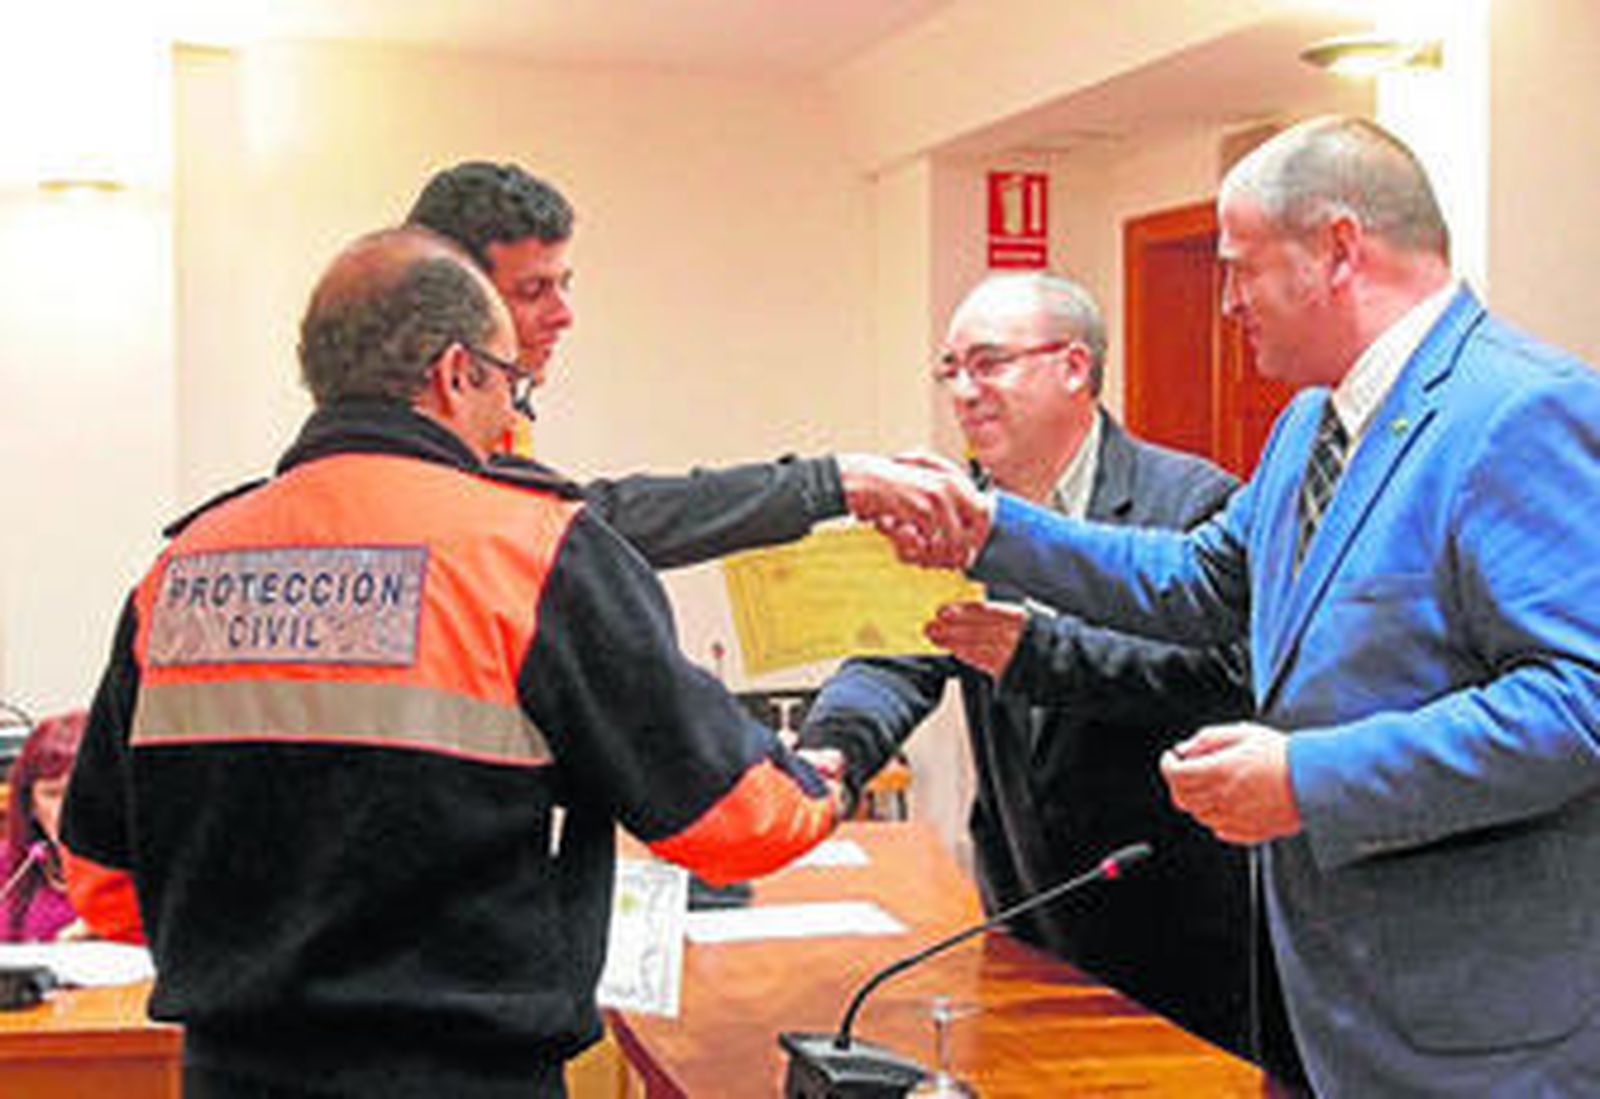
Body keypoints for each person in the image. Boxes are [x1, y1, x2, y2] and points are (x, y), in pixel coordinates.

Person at [867, 116, 1600, 1095]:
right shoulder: (1310, 421)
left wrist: (1306, 774)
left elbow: (1579, 702)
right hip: (1314, 1002)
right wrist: (986, 528)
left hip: (1465, 1022)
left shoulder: (1521, 409)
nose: (1226, 302)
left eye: (1240, 268)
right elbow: (1196, 579)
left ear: (1338, 249)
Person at [63, 227, 842, 1098]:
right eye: (512, 383)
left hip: (232, 1075)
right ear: (456, 372)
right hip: (464, 1076)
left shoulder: (182, 569)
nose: (512, 415)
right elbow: (732, 820)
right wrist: (823, 783)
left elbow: (105, 883)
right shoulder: (532, 550)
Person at [800, 272, 1276, 1064]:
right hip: (1027, 911)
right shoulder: (955, 509)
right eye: (951, 370)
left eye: (988, 363)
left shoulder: (1193, 502)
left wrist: (1041, 655)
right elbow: (894, 656)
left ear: (1074, 366)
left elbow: (1224, 672)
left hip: (1179, 926)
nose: (964, 392)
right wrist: (835, 749)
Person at [404, 160, 921, 569]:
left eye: (564, 285)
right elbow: (587, 526)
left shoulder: (496, 417)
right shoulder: (415, 446)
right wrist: (825, 483)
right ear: (453, 301)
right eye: (533, 290)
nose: (564, 316)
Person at [1, 711, 85, 941]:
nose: (67, 809)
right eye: (52, 794)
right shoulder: (12, 868)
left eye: (81, 792)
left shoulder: (152, 873)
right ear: (31, 805)